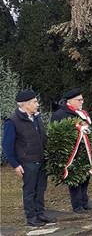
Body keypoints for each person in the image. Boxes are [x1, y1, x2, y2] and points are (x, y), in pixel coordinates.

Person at [2, 91, 57, 226]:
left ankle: (40, 213)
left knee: (41, 188)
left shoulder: (36, 118)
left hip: (41, 159)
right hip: (27, 162)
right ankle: (31, 217)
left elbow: (43, 138)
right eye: (35, 102)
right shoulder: (12, 121)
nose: (37, 105)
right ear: (25, 104)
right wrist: (15, 164)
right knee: (29, 190)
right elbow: (7, 145)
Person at [50, 89, 92, 213]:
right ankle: (77, 205)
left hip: (84, 150)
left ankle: (84, 202)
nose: (82, 102)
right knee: (75, 178)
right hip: (71, 152)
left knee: (85, 176)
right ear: (70, 101)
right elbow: (56, 133)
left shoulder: (81, 113)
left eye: (82, 99)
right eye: (79, 100)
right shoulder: (61, 114)